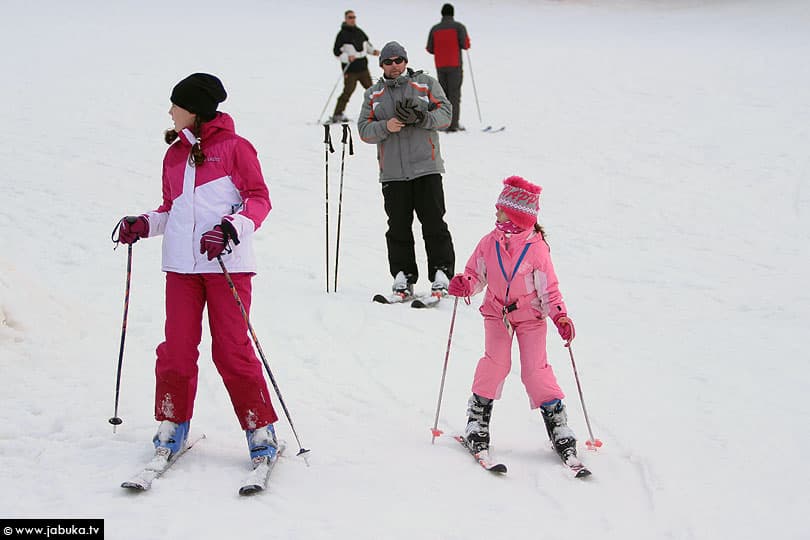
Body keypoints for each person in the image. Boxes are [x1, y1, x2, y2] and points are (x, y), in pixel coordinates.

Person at [115, 73, 279, 469]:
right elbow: (171, 209)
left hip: (227, 267)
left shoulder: (236, 149)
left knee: (232, 351)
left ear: (196, 110)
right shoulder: (174, 154)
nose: (170, 112)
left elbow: (259, 200)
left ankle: (260, 430)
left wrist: (230, 229)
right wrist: (144, 224)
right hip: (181, 270)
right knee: (176, 350)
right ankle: (173, 422)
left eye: (176, 105)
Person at [447, 175, 579, 463]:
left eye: (501, 209)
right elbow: (475, 273)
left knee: (535, 371)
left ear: (516, 215)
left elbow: (550, 291)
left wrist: (561, 318)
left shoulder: (537, 249)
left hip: (531, 317)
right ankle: (477, 419)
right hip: (496, 313)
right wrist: (464, 284)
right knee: (495, 363)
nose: (496, 213)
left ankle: (558, 423)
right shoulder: (488, 242)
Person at [357, 41, 455, 299]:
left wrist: (423, 118)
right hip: (393, 172)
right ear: (382, 65)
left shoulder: (425, 83)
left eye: (399, 60)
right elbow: (364, 131)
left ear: (405, 61)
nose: (394, 65)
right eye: (388, 62)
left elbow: (446, 114)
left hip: (426, 167)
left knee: (434, 222)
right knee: (398, 227)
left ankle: (441, 273)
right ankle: (403, 277)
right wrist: (386, 126)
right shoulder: (373, 94)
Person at [330, 10, 380, 124]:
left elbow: (366, 46)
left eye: (354, 17)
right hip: (351, 70)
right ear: (346, 19)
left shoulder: (359, 32)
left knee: (372, 91)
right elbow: (336, 52)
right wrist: (347, 57)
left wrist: (373, 51)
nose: (352, 19)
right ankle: (337, 114)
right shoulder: (341, 34)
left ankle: (378, 112)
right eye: (350, 17)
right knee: (348, 91)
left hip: (363, 68)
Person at [426, 3, 470, 132]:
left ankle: (442, 123)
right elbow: (465, 44)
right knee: (454, 95)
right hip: (455, 65)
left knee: (442, 95)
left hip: (440, 65)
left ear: (442, 14)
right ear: (453, 13)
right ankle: (453, 124)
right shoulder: (459, 27)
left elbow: (429, 48)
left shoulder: (435, 29)